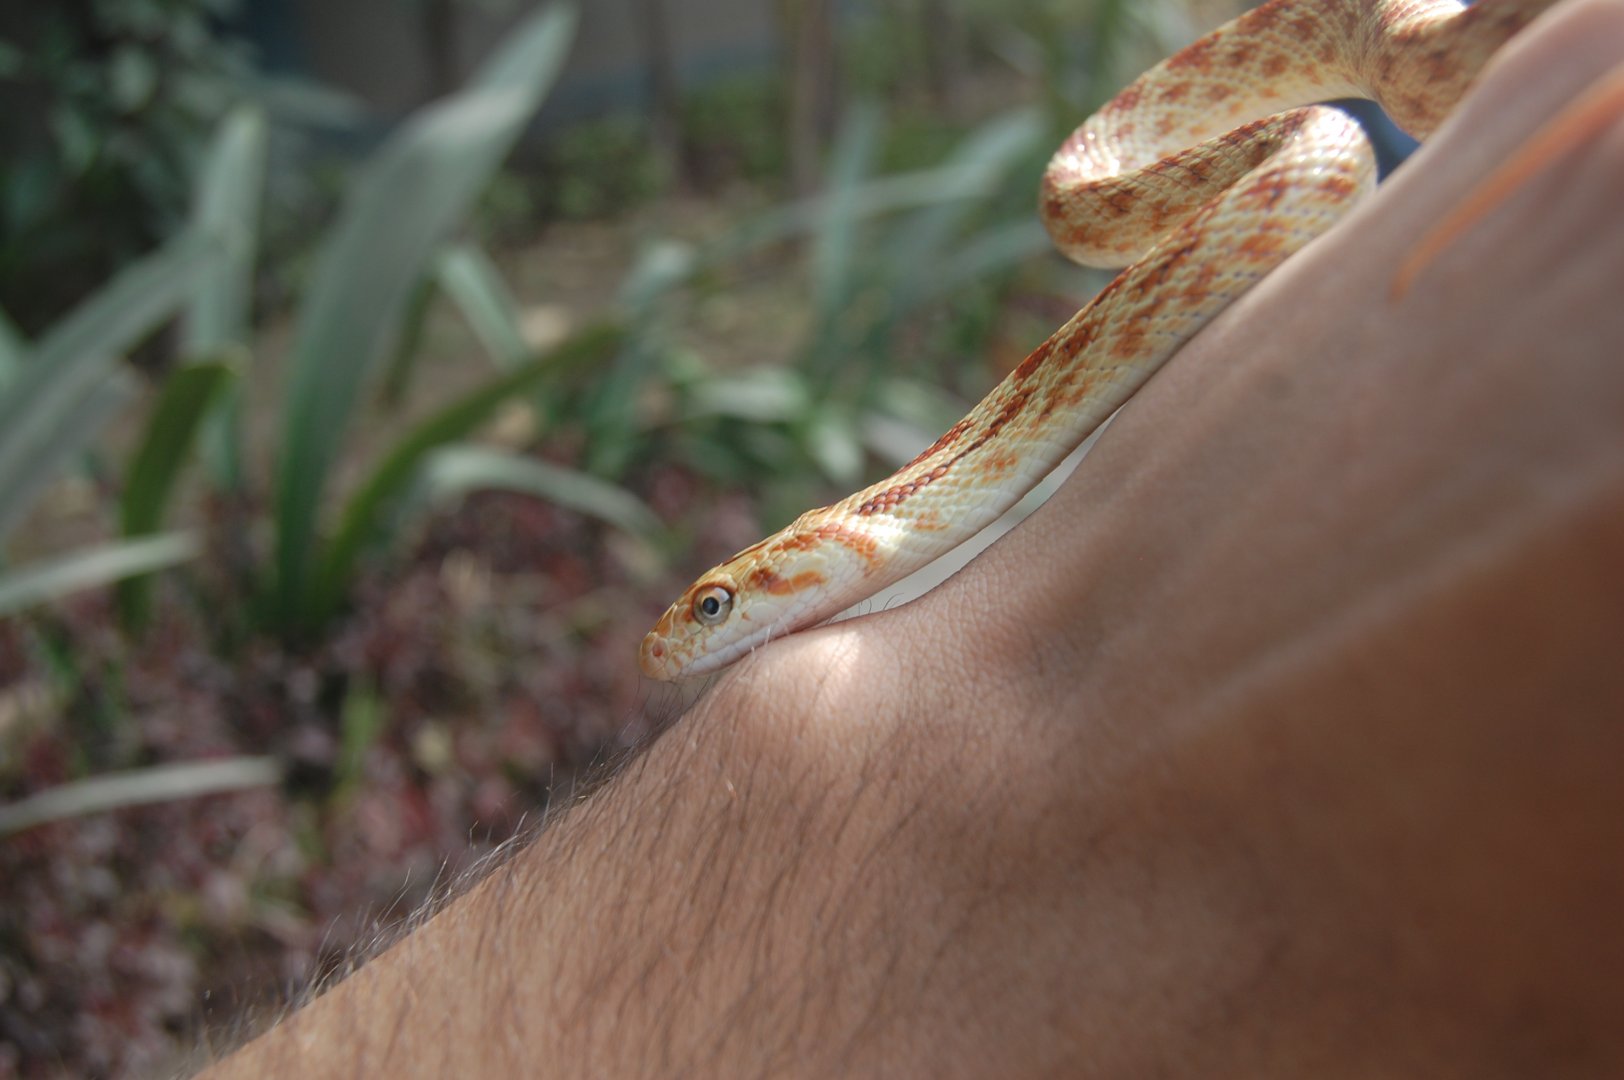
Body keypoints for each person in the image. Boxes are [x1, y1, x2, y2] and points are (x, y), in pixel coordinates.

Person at [199, 0, 1624, 1074]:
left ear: (791, 565)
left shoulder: (939, 482)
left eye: (713, 608)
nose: (693, 635)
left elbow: (1167, 185)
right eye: (707, 614)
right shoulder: (946, 485)